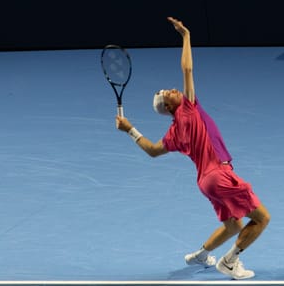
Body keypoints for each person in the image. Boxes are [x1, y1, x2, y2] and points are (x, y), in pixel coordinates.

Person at [115, 16, 270, 280]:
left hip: (205, 182)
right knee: (262, 218)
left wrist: (130, 129)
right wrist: (185, 36)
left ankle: (200, 255)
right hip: (219, 175)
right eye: (169, 93)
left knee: (233, 225)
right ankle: (230, 261)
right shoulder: (188, 109)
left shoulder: (174, 132)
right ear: (170, 107)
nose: (174, 89)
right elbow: (187, 69)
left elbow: (152, 150)